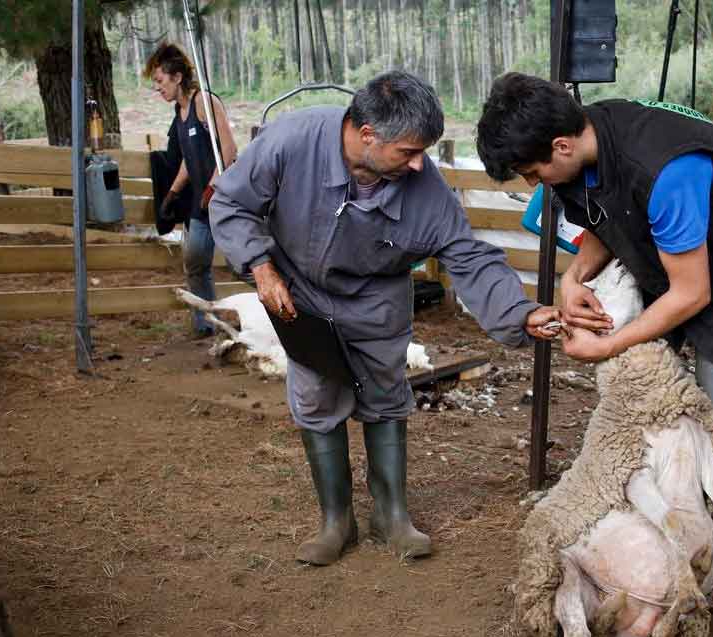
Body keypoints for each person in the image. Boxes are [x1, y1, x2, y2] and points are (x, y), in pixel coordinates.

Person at [209, 71, 561, 565]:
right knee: (315, 396)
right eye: (409, 152)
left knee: (384, 395)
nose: (420, 164)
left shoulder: (424, 186)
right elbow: (230, 201)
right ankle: (336, 521)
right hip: (301, 294)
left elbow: (467, 255)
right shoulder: (291, 141)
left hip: (376, 300)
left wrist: (518, 312)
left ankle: (391, 515)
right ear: (367, 134)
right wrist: (260, 267)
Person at [476, 73, 713, 501]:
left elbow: (692, 293)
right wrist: (574, 277)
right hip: (676, 265)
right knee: (645, 400)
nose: (532, 184)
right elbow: (606, 215)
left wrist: (606, 347)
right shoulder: (586, 139)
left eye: (531, 173)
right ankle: (664, 511)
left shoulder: (667, 172)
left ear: (561, 146)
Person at [144, 42, 238, 337]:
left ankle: (281, 313)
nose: (158, 88)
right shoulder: (180, 112)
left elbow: (229, 149)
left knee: (246, 264)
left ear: (177, 77)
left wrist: (213, 188)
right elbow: (189, 157)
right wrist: (172, 192)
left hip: (226, 199)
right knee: (195, 264)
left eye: (160, 81)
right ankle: (207, 326)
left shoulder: (204, 102)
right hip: (201, 205)